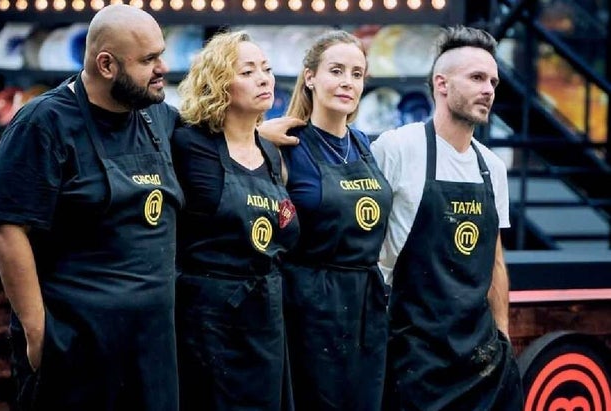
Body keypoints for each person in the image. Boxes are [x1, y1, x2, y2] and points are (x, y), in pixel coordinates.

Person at [0, 5, 183, 410]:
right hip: (75, 346)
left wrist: (262, 134)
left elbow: (217, 142)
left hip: (152, 348)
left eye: (160, 55)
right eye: (148, 60)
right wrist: (37, 333)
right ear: (106, 64)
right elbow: (7, 228)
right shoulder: (43, 123)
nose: (162, 68)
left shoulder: (158, 117)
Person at [370, 25, 523, 410]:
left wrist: (503, 336)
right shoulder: (397, 148)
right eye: (476, 78)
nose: (488, 89)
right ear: (441, 83)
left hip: (481, 360)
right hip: (413, 355)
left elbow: (495, 260)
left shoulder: (492, 167)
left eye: (493, 81)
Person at [172, 30, 300, 410]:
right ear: (217, 84)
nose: (263, 79)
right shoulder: (189, 145)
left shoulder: (271, 154)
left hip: (265, 318)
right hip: (209, 321)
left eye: (267, 69)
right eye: (247, 72)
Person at [280, 30, 393, 410]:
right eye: (337, 70)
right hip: (311, 305)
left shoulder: (365, 145)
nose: (348, 82)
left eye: (357, 74)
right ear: (310, 77)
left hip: (366, 304)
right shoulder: (287, 145)